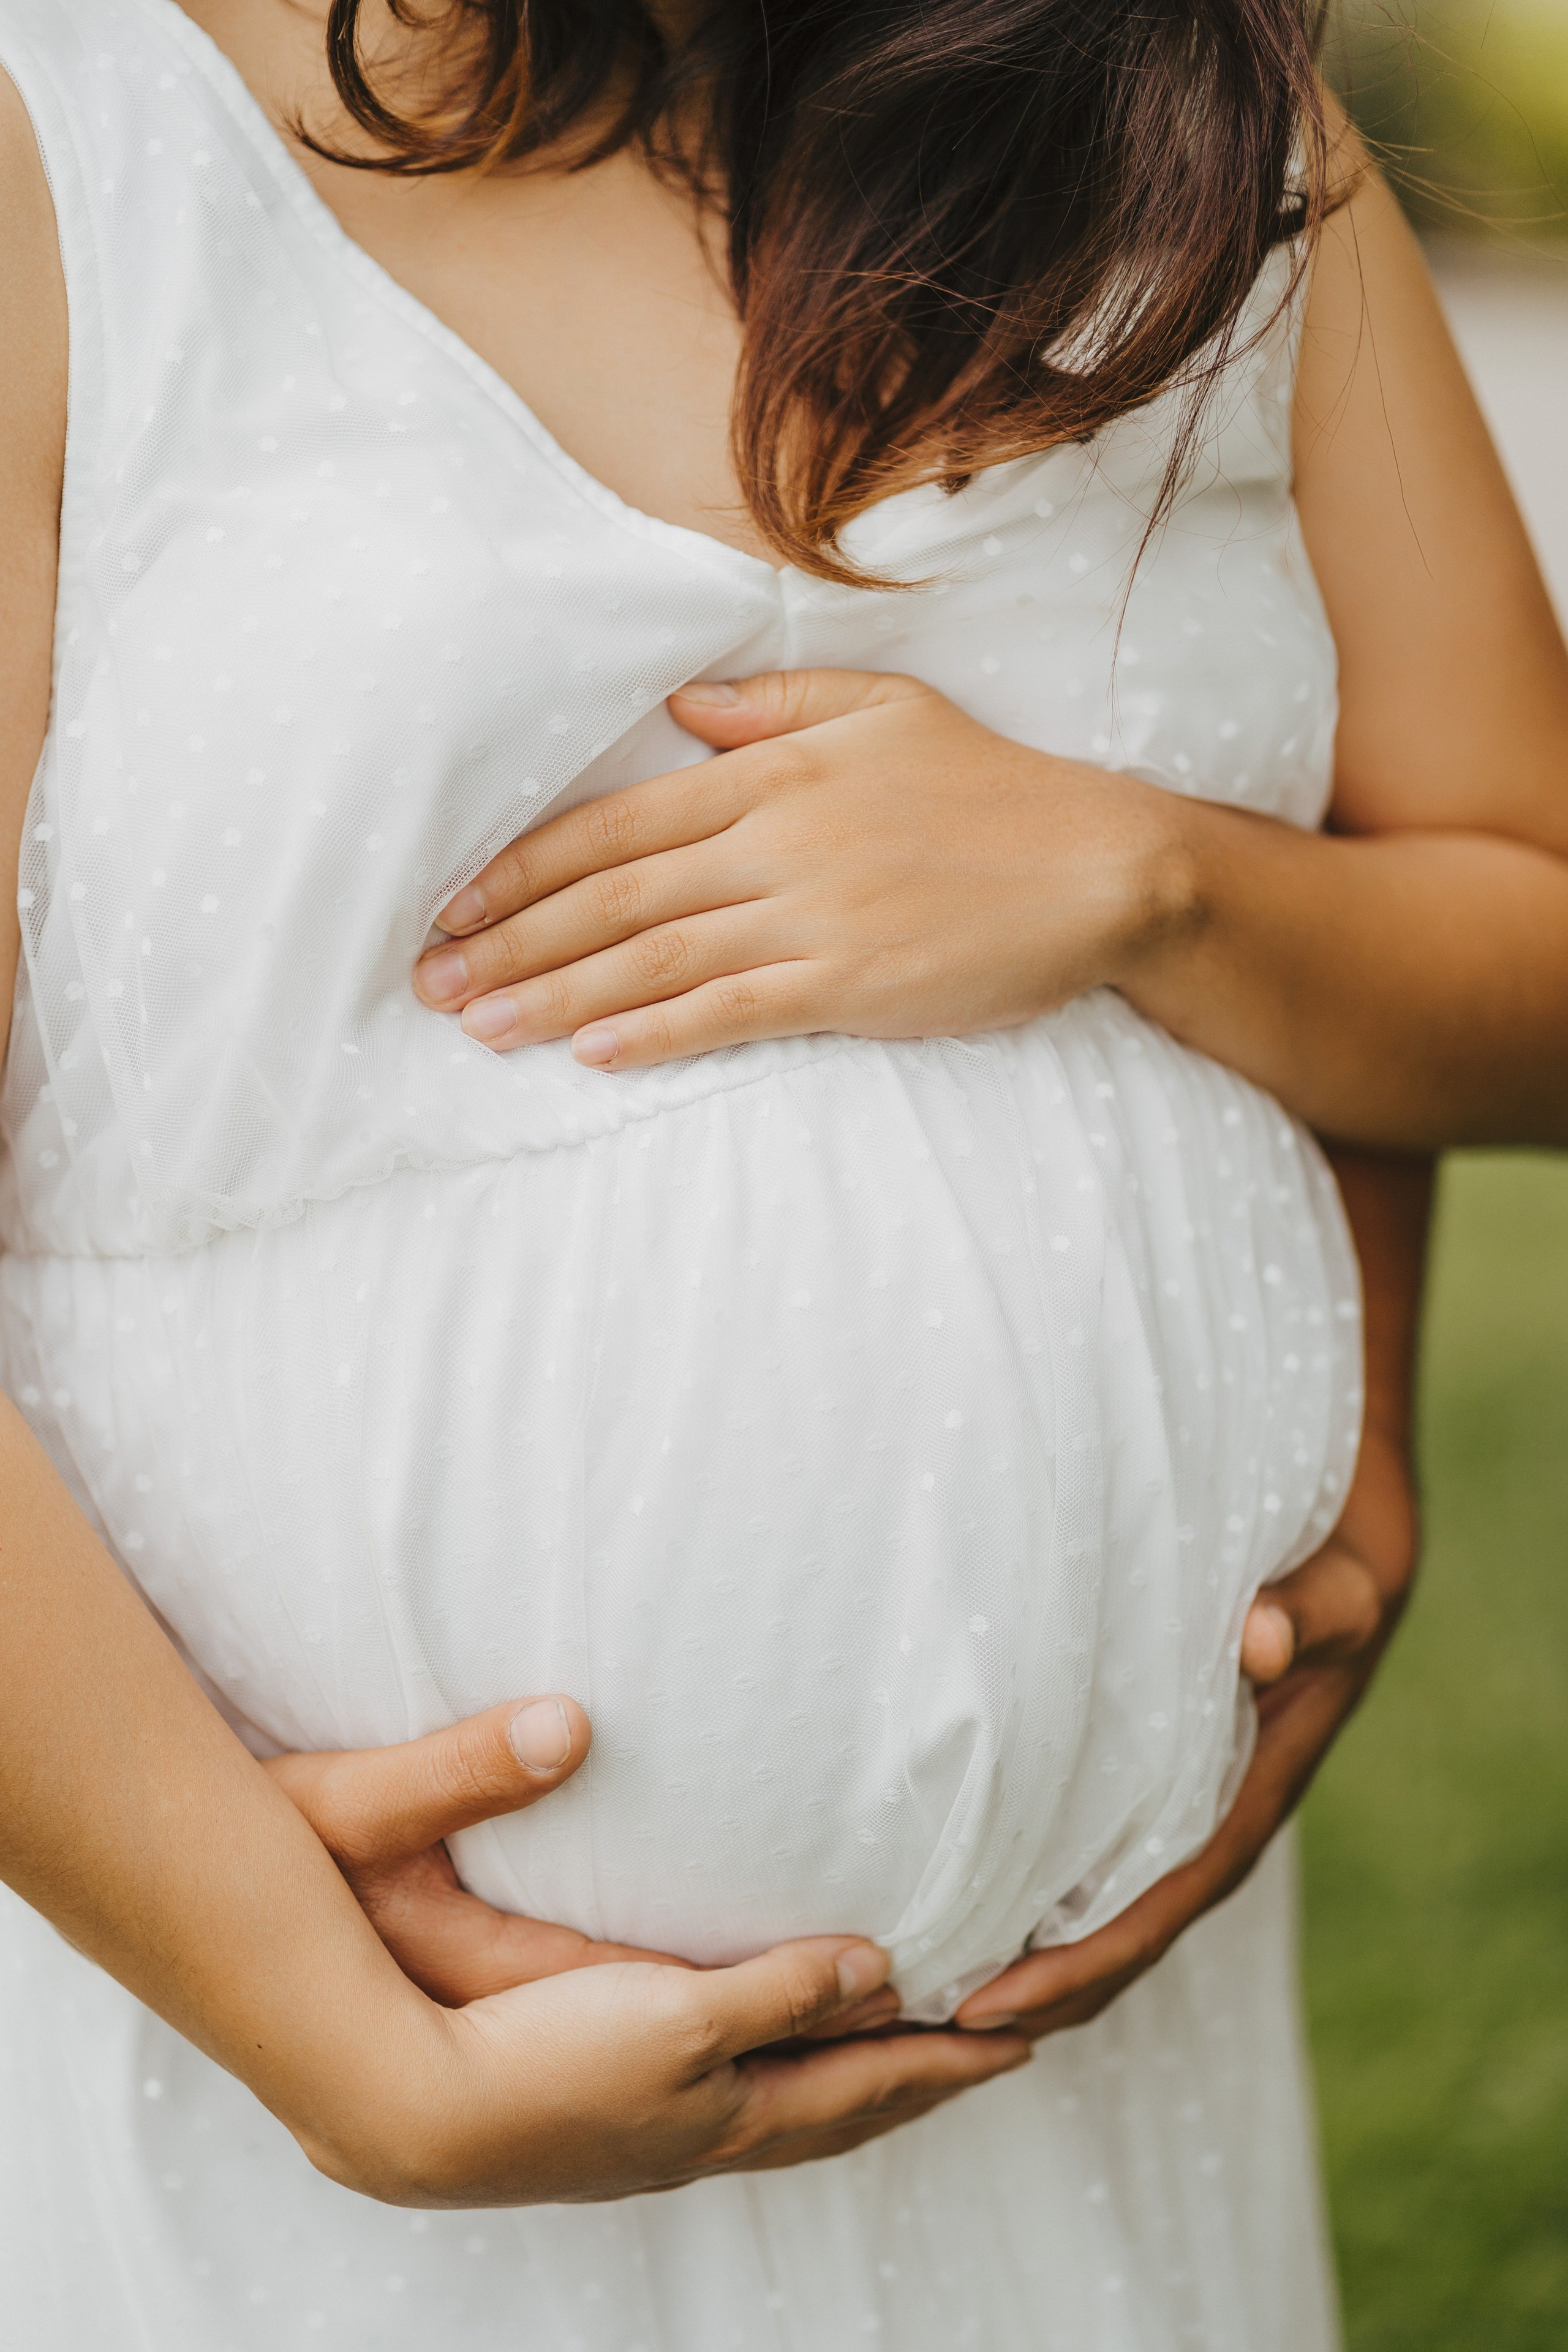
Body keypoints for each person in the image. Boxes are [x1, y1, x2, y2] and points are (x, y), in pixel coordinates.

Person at [1, 0, 1565, 2346]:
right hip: (255, 2067)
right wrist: (334, 2052)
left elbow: (1519, 918)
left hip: (1069, 2072)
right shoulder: (68, 146)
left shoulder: (1191, 125)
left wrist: (1158, 887)